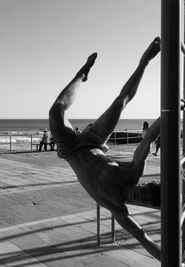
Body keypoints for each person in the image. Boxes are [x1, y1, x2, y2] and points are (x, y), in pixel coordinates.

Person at [49, 37, 161, 260]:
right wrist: (171, 112)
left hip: (71, 149)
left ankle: (83, 75)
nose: (140, 195)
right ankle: (85, 74)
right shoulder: (133, 172)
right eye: (146, 192)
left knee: (55, 113)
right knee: (120, 103)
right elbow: (150, 137)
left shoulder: (117, 206)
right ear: (146, 184)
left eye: (143, 200)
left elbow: (143, 237)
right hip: (93, 141)